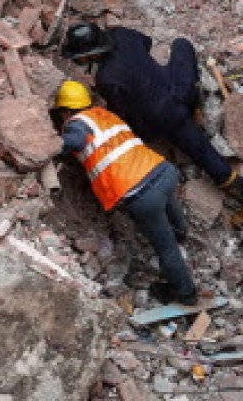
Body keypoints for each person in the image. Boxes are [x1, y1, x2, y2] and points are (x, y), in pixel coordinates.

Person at [61, 22, 243, 227]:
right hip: (178, 90)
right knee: (181, 45)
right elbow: (147, 42)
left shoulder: (106, 78)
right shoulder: (120, 34)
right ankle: (195, 106)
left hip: (166, 118)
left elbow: (123, 113)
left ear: (90, 54)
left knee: (203, 154)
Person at [52, 80, 198, 305]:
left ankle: (185, 293)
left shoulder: (77, 125)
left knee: (165, 245)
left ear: (65, 111)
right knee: (168, 202)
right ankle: (181, 231)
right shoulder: (104, 115)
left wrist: (50, 144)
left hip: (141, 192)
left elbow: (74, 140)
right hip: (163, 170)